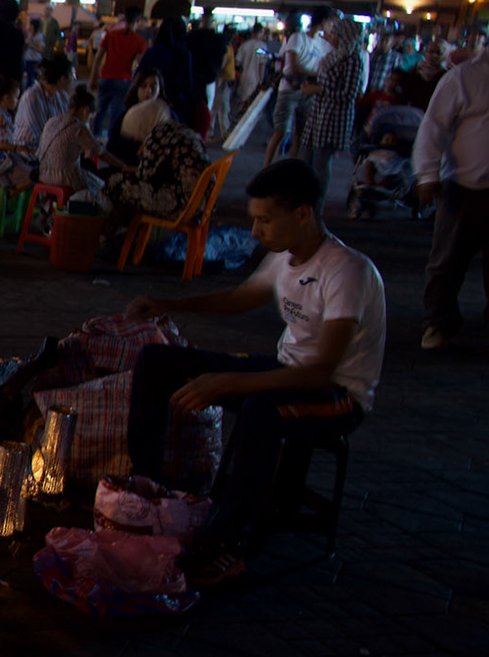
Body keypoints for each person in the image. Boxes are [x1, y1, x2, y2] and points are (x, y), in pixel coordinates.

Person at [124, 159, 384, 584]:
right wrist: (170, 304)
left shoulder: (346, 271)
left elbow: (320, 374)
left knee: (261, 409)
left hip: (338, 394)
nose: (255, 232)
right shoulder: (285, 259)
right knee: (158, 360)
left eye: (265, 220)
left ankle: (229, 544)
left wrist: (231, 382)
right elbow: (240, 297)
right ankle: (148, 488)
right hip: (285, 371)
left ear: (302, 214)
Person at [413, 35, 489, 349]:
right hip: (462, 187)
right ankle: (438, 322)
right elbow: (433, 127)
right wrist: (427, 174)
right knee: (447, 260)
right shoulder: (464, 77)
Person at [105, 96, 209, 243]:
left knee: (116, 183)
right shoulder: (178, 130)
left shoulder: (156, 137)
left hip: (184, 205)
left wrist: (128, 169)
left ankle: (112, 233)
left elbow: (145, 176)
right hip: (202, 203)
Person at [297, 17, 363, 184]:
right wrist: (313, 86)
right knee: (305, 158)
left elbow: (349, 94)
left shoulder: (353, 60)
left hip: (333, 118)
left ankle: (316, 206)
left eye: (335, 34)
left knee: (320, 163)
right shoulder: (334, 56)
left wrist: (319, 89)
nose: (330, 36)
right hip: (318, 114)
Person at [38, 88, 118, 202]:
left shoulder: (52, 121)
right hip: (64, 178)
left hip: (43, 175)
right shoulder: (78, 127)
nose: (88, 121)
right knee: (103, 188)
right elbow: (100, 152)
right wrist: (122, 166)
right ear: (85, 110)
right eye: (90, 118)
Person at [265, 13, 324, 166]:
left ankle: (292, 171)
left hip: (307, 91)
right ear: (322, 21)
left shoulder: (320, 42)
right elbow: (293, 65)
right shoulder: (298, 38)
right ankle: (266, 170)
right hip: (290, 89)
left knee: (301, 134)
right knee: (281, 132)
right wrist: (317, 74)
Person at [91, 7, 148, 138]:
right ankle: (111, 144)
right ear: (137, 21)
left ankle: (93, 142)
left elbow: (98, 57)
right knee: (116, 116)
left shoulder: (111, 35)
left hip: (106, 77)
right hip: (124, 80)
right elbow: (139, 64)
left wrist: (93, 77)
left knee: (99, 113)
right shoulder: (139, 41)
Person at [141, 13, 197, 127]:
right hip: (174, 104)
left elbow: (140, 75)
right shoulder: (183, 54)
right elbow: (187, 84)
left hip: (151, 101)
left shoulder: (152, 52)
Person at [0, 74, 34, 188]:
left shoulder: (1, 114)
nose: (17, 101)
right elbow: (1, 144)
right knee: (31, 174)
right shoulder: (1, 117)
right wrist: (18, 148)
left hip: (5, 155)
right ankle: (8, 196)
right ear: (6, 98)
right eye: (16, 97)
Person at [14, 55, 71, 149]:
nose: (73, 80)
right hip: (29, 153)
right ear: (63, 79)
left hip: (50, 150)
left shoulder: (61, 96)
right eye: (72, 76)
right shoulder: (32, 97)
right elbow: (42, 134)